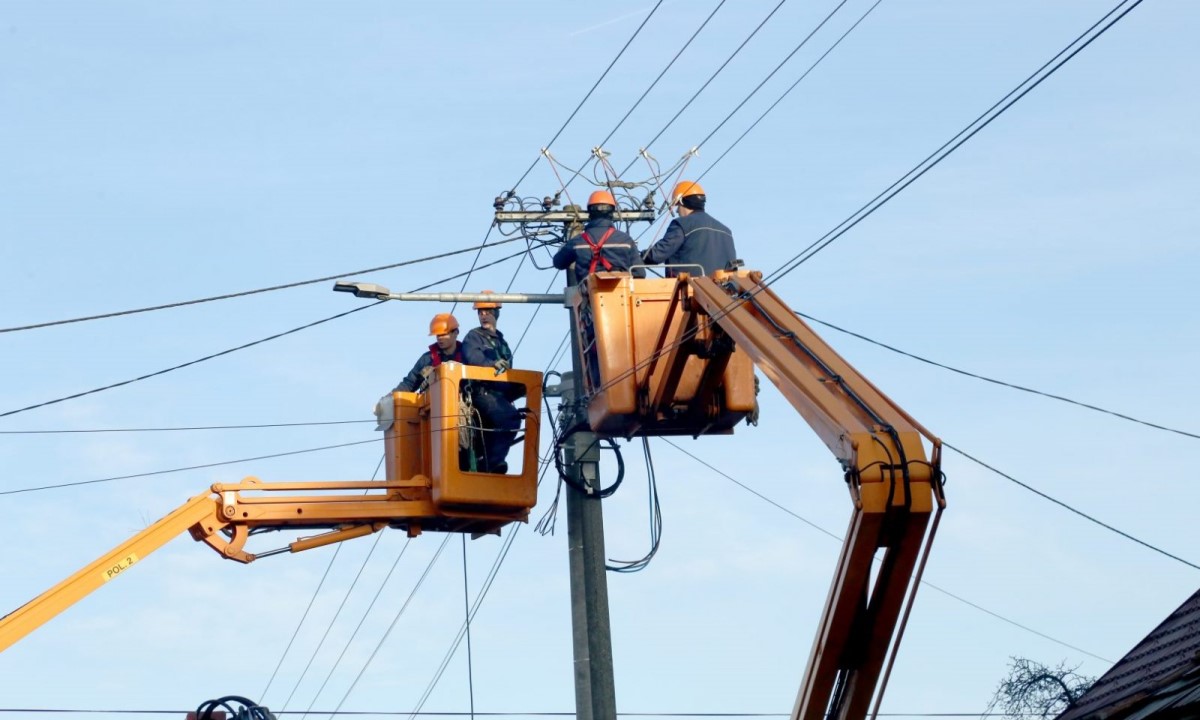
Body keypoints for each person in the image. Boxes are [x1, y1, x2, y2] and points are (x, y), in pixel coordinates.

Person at [462, 291, 521, 474]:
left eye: (487, 311)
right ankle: (492, 463)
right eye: (480, 312)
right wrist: (492, 364)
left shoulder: (502, 342)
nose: (483, 315)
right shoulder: (474, 336)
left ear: (496, 313)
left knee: (504, 422)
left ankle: (487, 461)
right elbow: (473, 357)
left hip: (499, 395)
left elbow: (508, 369)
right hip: (482, 392)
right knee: (509, 418)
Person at [642, 180, 737, 276]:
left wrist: (637, 258)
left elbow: (658, 254)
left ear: (681, 201)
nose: (678, 211)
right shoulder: (726, 231)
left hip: (688, 288)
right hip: (721, 289)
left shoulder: (682, 224)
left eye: (677, 206)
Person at [553, 190, 646, 283]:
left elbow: (558, 263)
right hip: (621, 294)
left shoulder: (578, 241)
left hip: (589, 294)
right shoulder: (625, 240)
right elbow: (640, 273)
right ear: (612, 212)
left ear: (590, 213)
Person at [393, 313, 464, 392]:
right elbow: (409, 383)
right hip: (434, 402)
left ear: (456, 332)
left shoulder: (467, 354)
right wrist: (389, 398)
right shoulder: (427, 359)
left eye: (443, 334)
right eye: (437, 335)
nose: (439, 338)